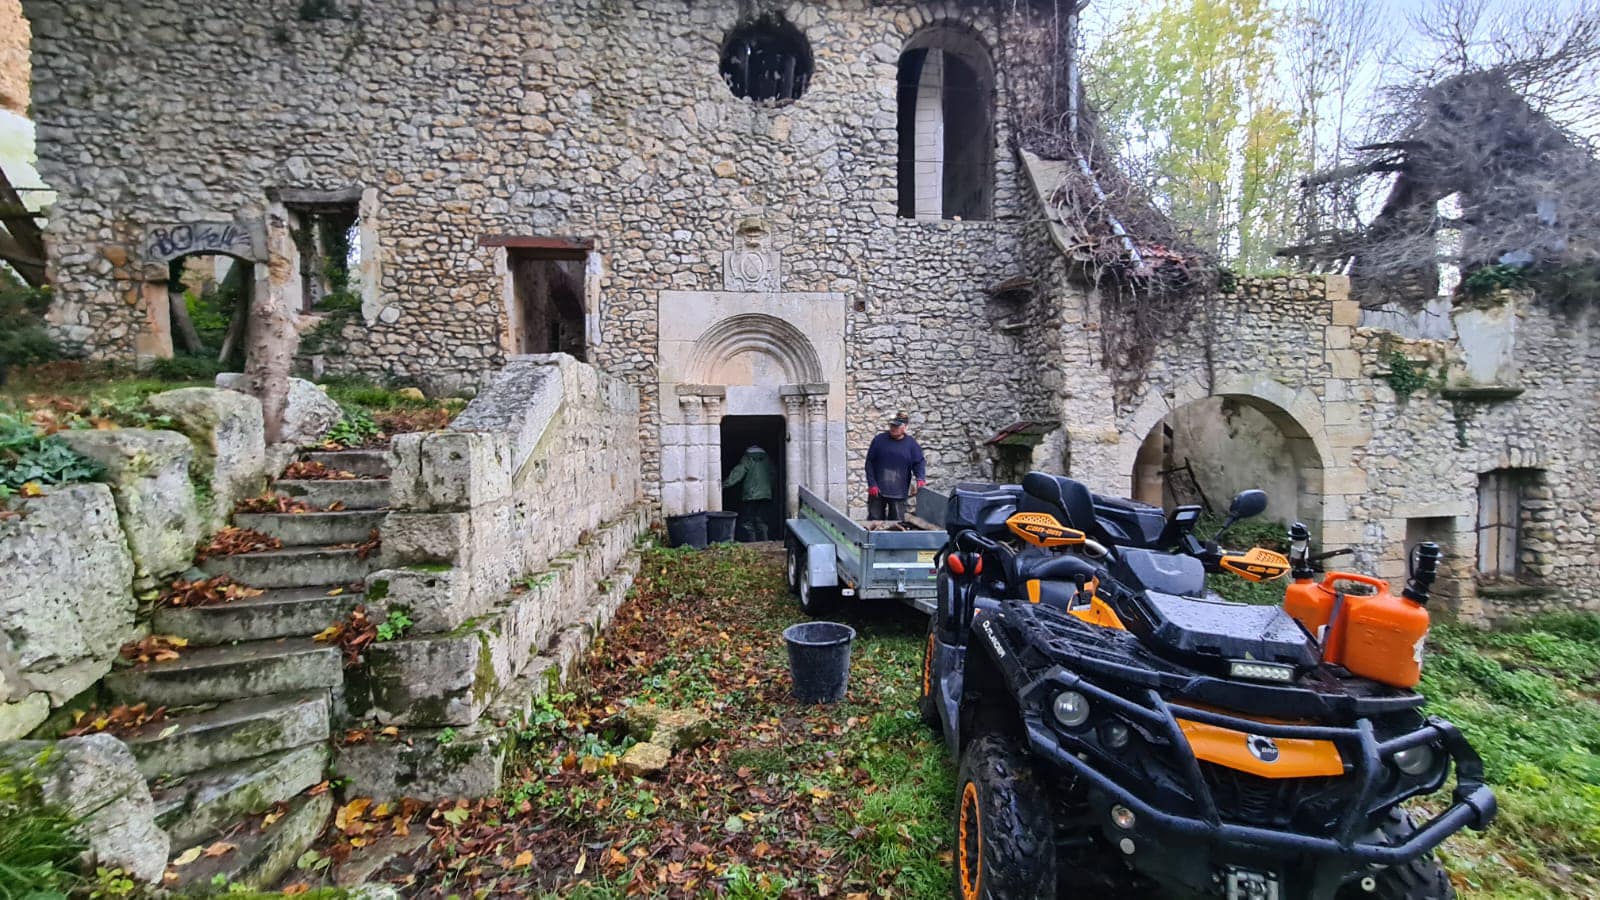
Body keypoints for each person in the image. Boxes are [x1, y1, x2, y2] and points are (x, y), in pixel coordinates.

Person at [865, 411, 926, 521]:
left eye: (896, 426)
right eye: (892, 425)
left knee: (897, 523)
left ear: (905, 427)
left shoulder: (911, 444)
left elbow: (919, 462)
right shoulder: (879, 440)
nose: (893, 428)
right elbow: (869, 463)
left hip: (899, 492)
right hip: (877, 491)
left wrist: (920, 477)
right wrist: (872, 484)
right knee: (874, 522)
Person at [723, 444, 776, 541]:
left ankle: (752, 543)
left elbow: (737, 473)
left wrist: (724, 485)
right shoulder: (767, 459)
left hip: (750, 495)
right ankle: (766, 542)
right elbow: (773, 475)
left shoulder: (747, 458)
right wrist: (768, 489)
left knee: (748, 521)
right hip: (766, 495)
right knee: (762, 520)